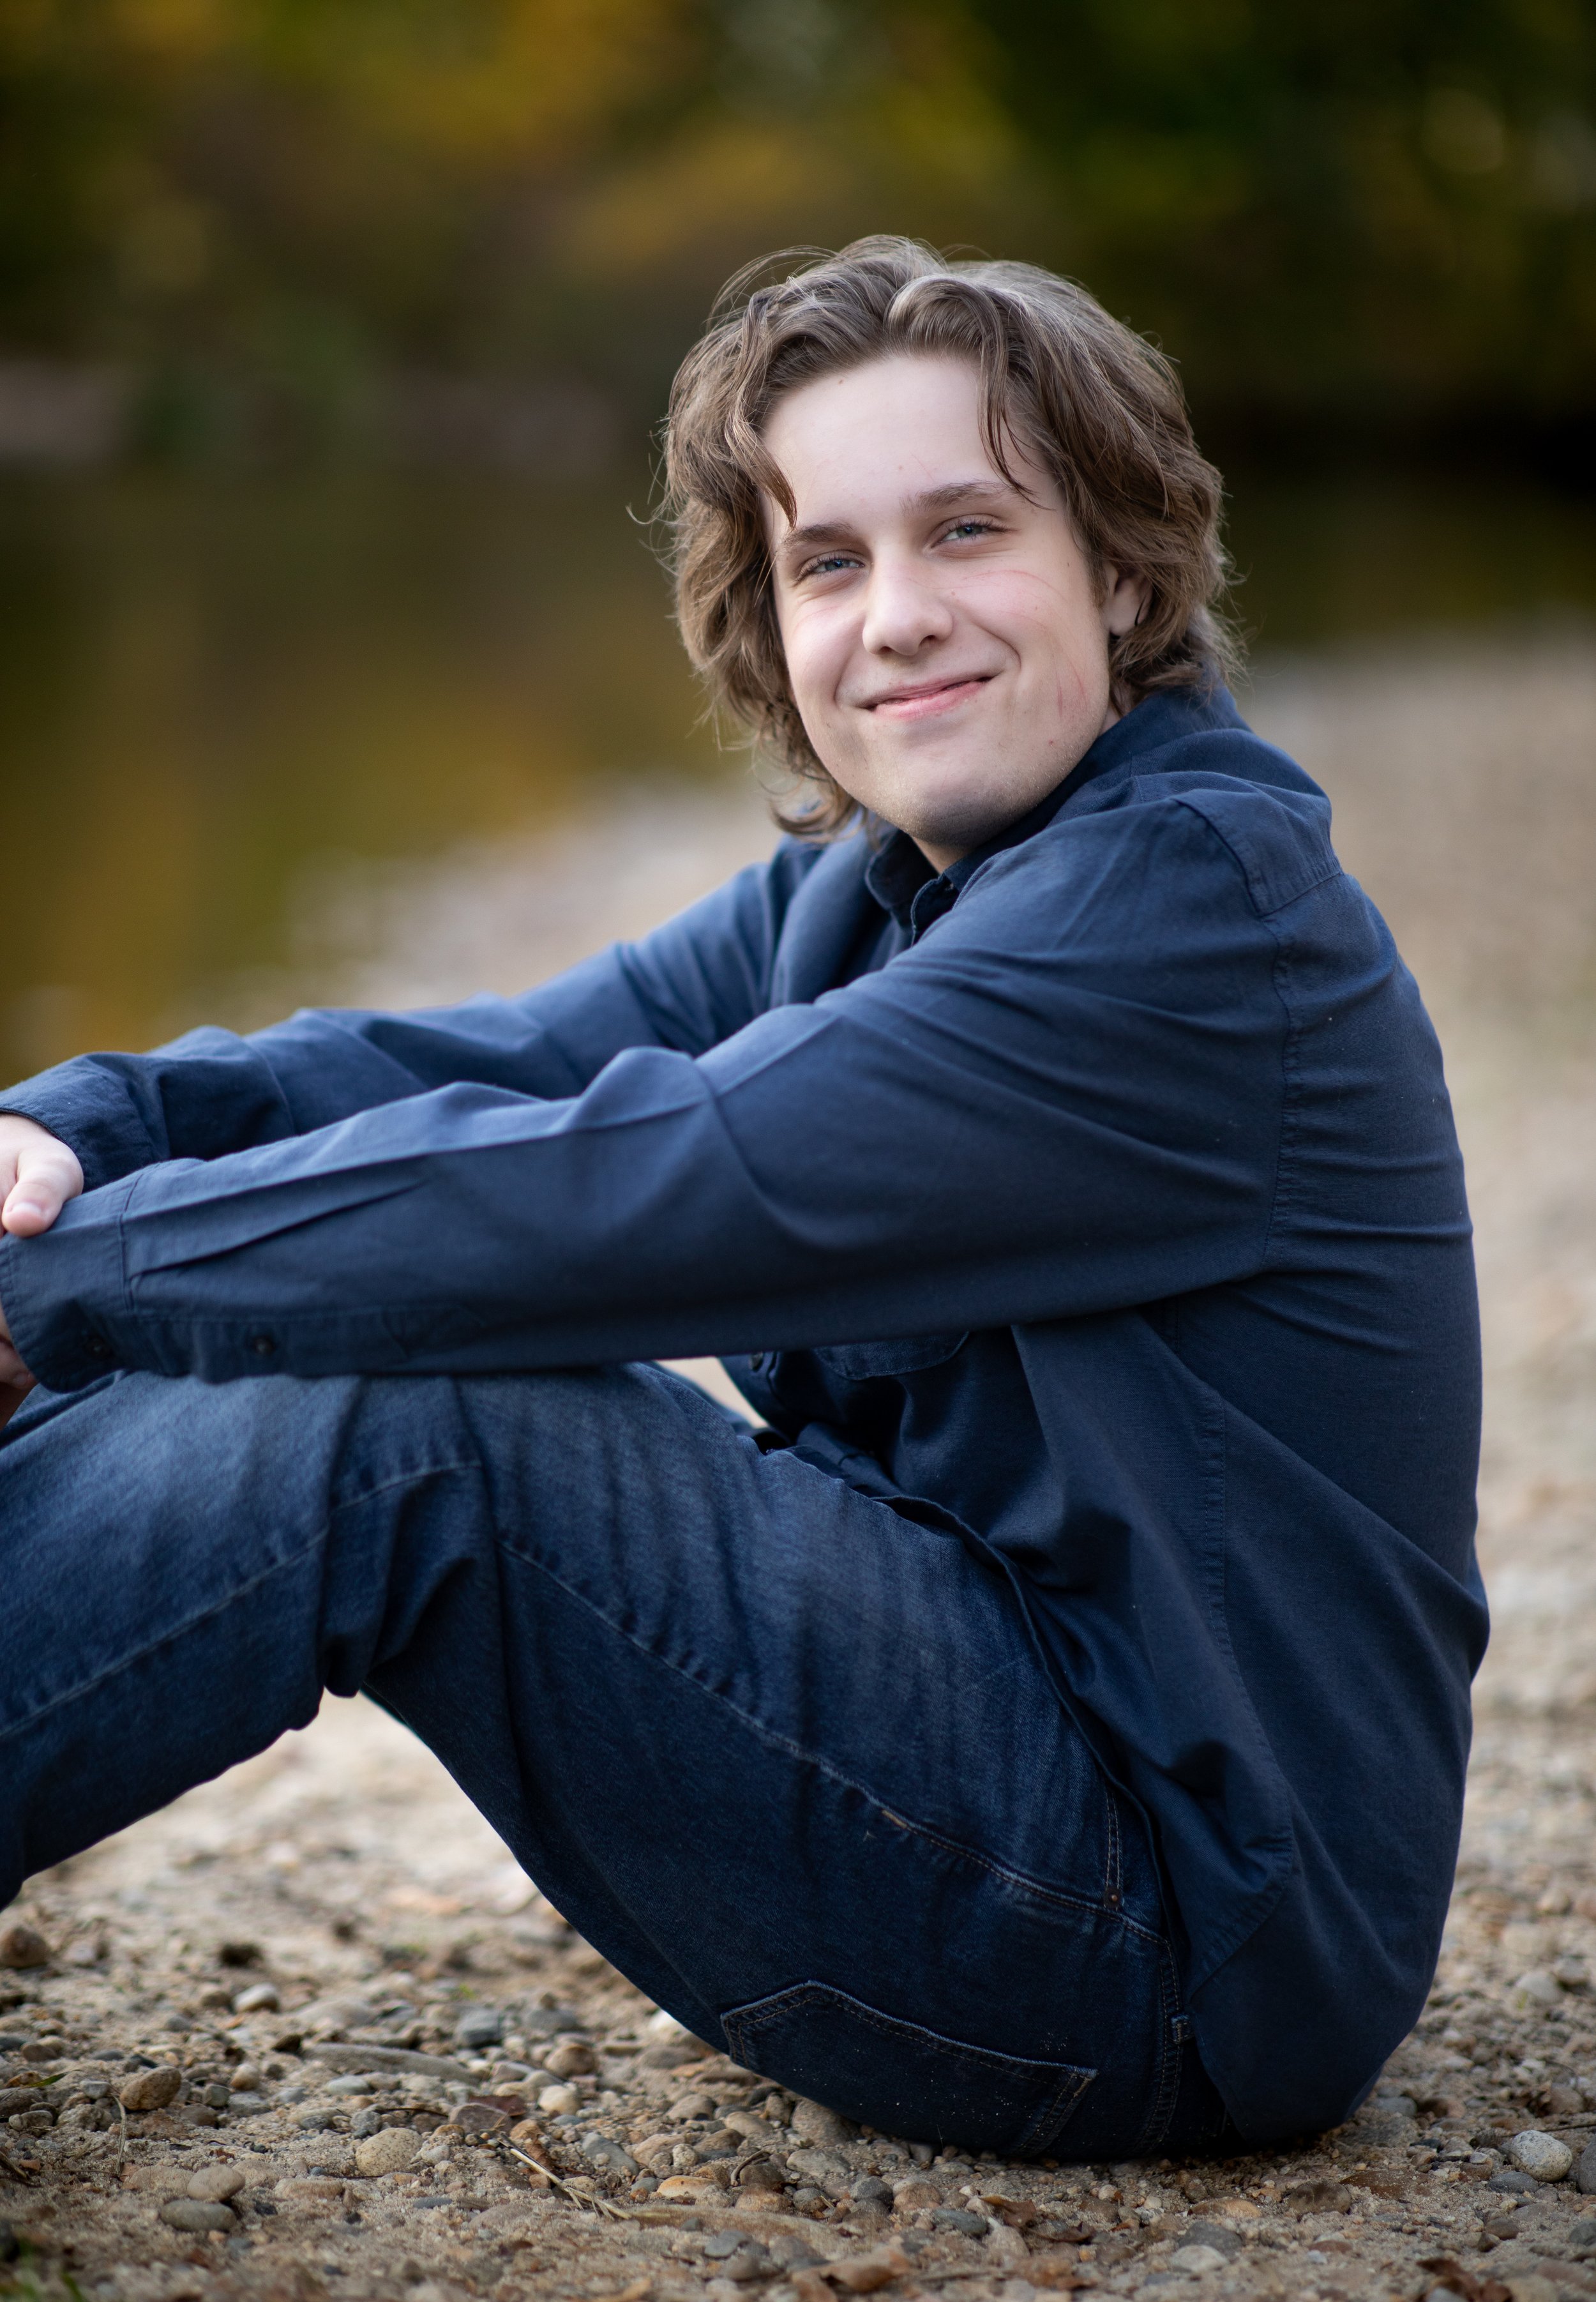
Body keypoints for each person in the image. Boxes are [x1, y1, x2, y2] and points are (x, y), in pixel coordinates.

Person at [0, 238, 1484, 2164]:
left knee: (401, 1403)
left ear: (1121, 573)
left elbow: (648, 1185)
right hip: (992, 1779)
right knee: (273, 1278)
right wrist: (75, 1136)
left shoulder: (1190, 915)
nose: (896, 617)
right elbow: (487, 1070)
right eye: (830, 561)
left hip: (1166, 1940)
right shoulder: (873, 892)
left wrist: (61, 1291)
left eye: (966, 530)